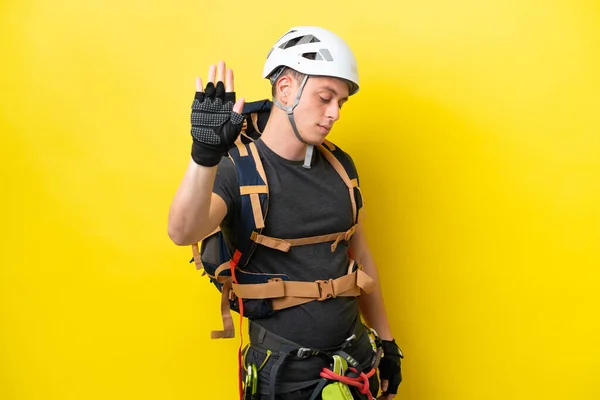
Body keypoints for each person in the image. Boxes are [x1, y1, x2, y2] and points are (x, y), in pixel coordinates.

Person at [168, 26, 402, 400]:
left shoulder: (341, 167)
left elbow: (361, 258)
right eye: (325, 98)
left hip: (356, 360)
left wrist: (388, 345)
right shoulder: (236, 171)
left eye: (341, 103)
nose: (334, 114)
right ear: (285, 89)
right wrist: (203, 156)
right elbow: (182, 231)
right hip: (285, 374)